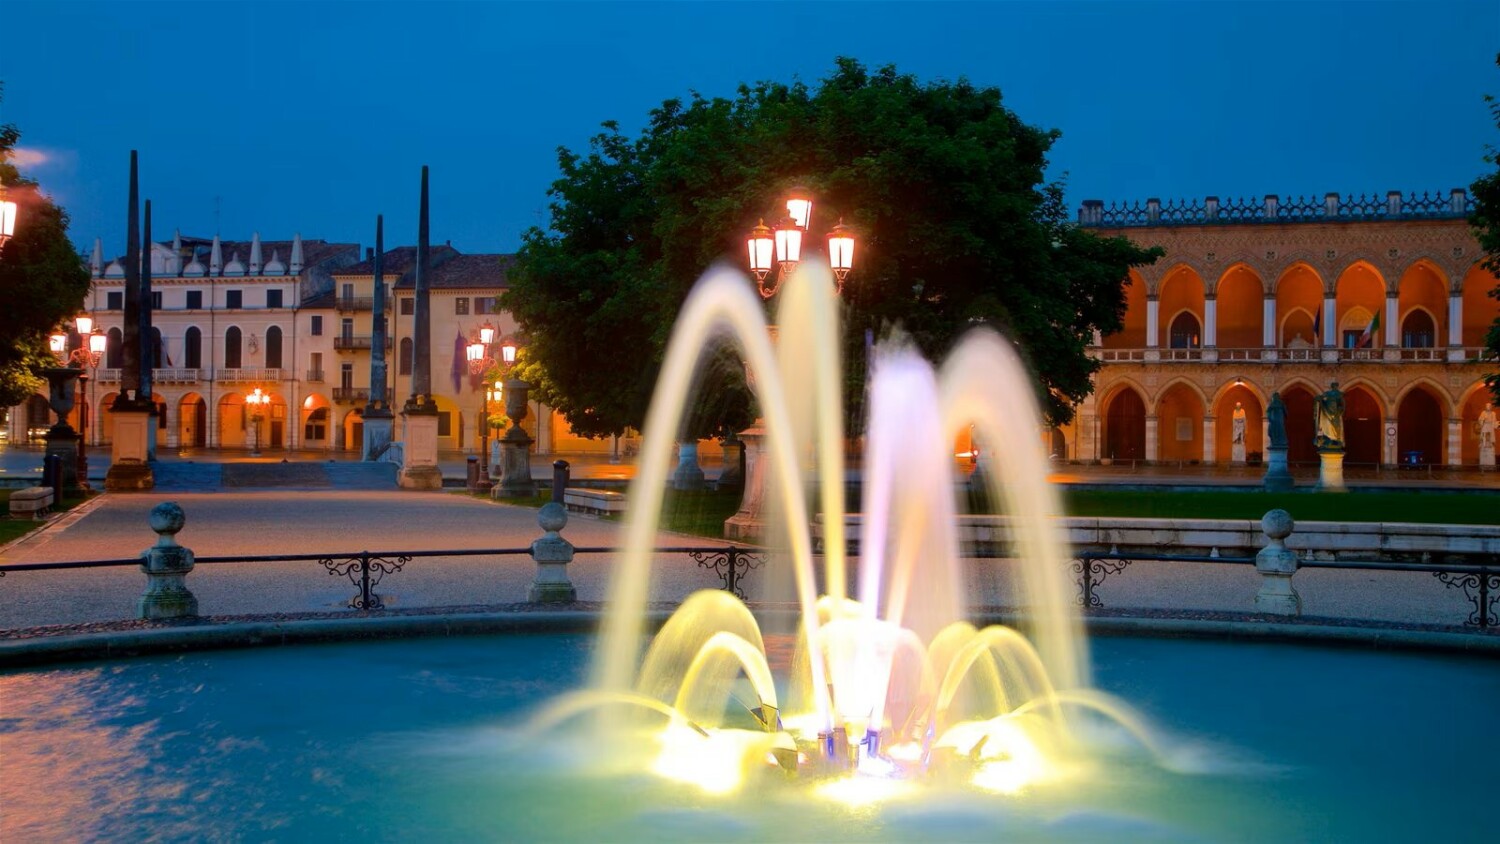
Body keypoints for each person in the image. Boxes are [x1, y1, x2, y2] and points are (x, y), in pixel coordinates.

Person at [1314, 381, 1345, 451]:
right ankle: (1330, 440)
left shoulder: (1339, 394)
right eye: (1334, 386)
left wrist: (1341, 411)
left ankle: (1335, 440)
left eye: (1336, 386)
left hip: (1335, 414)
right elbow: (1319, 398)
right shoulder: (1328, 394)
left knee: (1336, 428)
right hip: (1328, 412)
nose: (1335, 387)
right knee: (1328, 427)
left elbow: (1343, 404)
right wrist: (1318, 400)